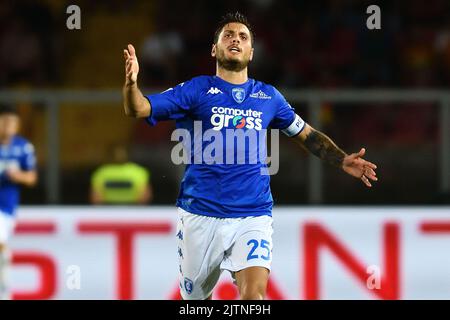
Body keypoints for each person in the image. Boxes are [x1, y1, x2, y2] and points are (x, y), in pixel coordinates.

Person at [122, 12, 378, 300]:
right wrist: (132, 84)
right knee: (195, 302)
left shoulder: (269, 97)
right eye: (228, 35)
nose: (236, 39)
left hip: (253, 213)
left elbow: (306, 134)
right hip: (200, 213)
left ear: (251, 52)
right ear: (214, 49)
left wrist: (341, 159)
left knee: (254, 298)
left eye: (243, 37)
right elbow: (139, 108)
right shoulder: (196, 89)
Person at [0, 104, 37, 299]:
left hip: (5, 206)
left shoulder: (23, 147)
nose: (7, 126)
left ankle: (5, 289)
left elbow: (31, 178)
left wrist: (18, 176)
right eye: (4, 121)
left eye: (11, 122)